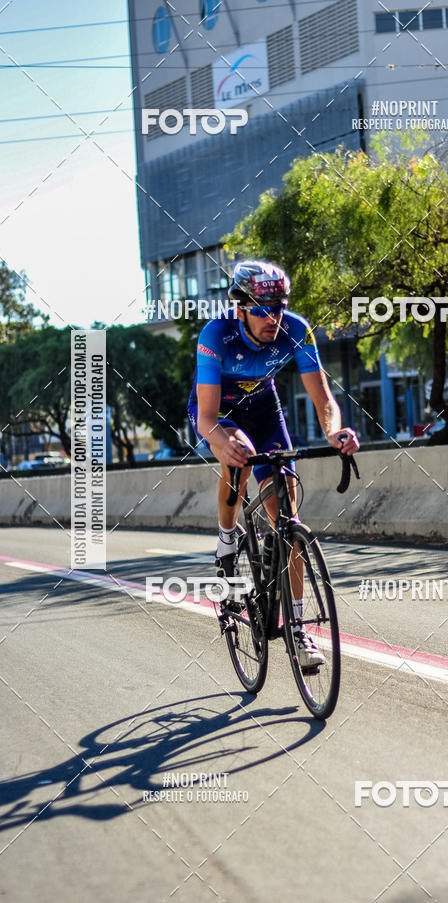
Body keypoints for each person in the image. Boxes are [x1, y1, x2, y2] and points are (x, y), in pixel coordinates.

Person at [188, 260, 359, 667]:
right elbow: (207, 418)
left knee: (288, 517)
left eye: (279, 307)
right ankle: (228, 537)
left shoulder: (297, 331)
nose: (273, 317)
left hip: (265, 409)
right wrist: (220, 443)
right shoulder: (217, 334)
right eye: (263, 309)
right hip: (220, 410)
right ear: (241, 306)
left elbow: (324, 402)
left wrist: (335, 432)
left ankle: (298, 631)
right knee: (240, 452)